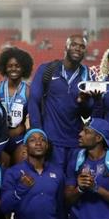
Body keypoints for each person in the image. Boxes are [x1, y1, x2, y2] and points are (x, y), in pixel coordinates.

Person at [28, 34, 91, 170]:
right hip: (51, 141)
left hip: (76, 142)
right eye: (74, 45)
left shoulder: (87, 75)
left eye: (82, 46)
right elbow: (33, 101)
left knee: (72, 181)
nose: (78, 48)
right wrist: (38, 132)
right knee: (53, 180)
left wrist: (84, 101)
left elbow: (87, 113)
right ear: (66, 47)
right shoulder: (47, 70)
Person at [0, 47, 33, 165]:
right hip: (0, 137)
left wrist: (23, 128)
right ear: (4, 68)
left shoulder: (28, 91)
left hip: (18, 138)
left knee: (21, 163)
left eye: (17, 66)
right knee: (3, 164)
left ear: (23, 68)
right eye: (10, 66)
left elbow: (32, 117)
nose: (13, 69)